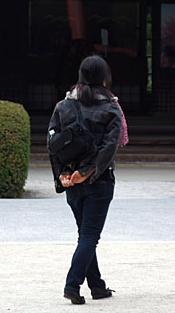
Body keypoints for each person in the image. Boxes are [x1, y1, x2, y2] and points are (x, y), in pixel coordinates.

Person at [47, 55, 124, 305]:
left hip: (72, 182)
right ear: (104, 78)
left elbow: (53, 143)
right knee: (90, 236)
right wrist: (90, 170)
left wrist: (63, 175)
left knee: (85, 235)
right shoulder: (111, 107)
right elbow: (110, 145)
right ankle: (72, 285)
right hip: (99, 182)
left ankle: (98, 286)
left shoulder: (63, 106)